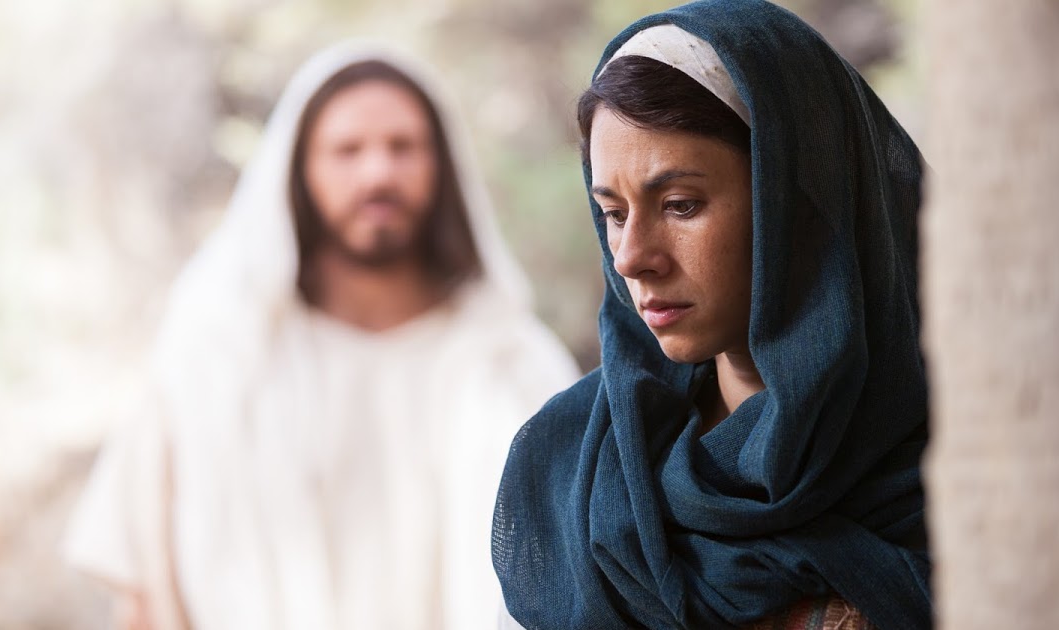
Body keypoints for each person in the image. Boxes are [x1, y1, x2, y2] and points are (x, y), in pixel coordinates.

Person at [64, 42, 579, 630]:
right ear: (299, 170)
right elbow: (140, 599)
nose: (378, 171)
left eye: (403, 147)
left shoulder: (510, 360)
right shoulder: (219, 350)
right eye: (347, 149)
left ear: (442, 165)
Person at [492, 2, 929, 628]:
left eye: (678, 204)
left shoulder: (968, 456)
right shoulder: (568, 477)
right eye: (614, 214)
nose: (631, 258)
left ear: (796, 204)